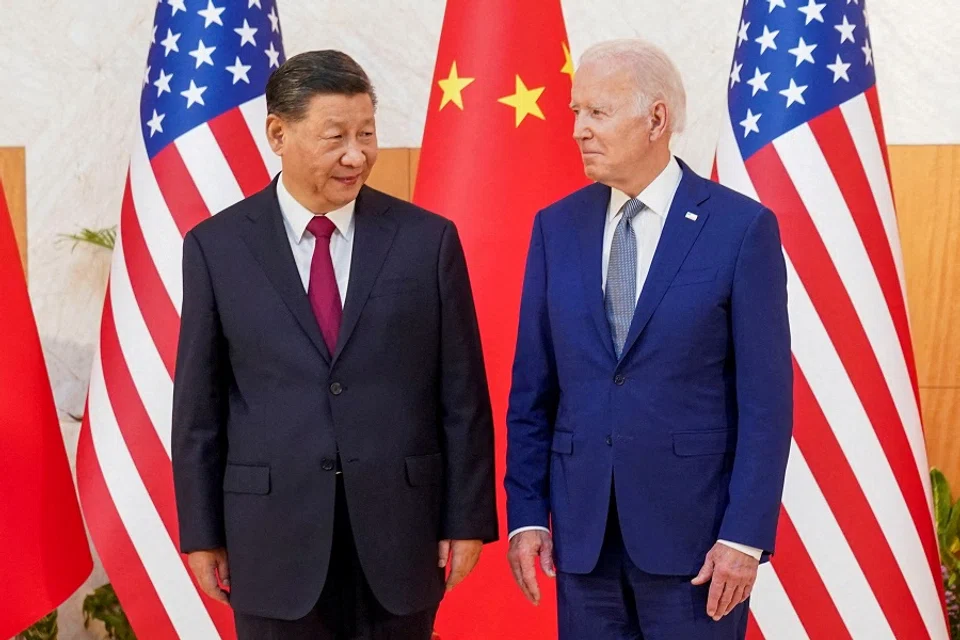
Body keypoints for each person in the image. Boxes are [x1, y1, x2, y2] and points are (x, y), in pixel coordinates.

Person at [172, 50, 497, 640]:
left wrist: (466, 520)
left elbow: (462, 397)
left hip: (401, 537)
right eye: (336, 136)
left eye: (367, 132)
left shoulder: (428, 241)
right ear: (278, 133)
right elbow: (199, 408)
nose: (357, 154)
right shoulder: (215, 248)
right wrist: (201, 533)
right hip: (270, 539)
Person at [505, 39, 793, 640]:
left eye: (598, 113)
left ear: (656, 118)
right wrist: (527, 513)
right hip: (582, 542)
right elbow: (533, 389)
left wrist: (744, 536)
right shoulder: (556, 226)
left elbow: (766, 405)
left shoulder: (741, 229)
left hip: (697, 546)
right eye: (575, 112)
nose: (579, 130)